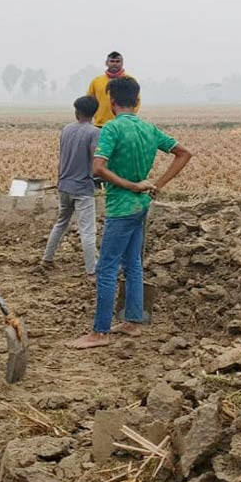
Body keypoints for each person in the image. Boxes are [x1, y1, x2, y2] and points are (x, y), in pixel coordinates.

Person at [68, 76, 192, 349]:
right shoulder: (148, 128)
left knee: (106, 268)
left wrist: (130, 185)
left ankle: (99, 332)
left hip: (121, 206)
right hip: (142, 205)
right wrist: (155, 185)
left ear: (111, 102)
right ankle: (132, 321)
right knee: (133, 263)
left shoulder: (112, 129)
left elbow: (98, 168)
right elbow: (183, 153)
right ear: (137, 101)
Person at [42, 95, 100, 279]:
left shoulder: (66, 129)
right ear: (94, 112)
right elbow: (95, 160)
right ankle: (92, 271)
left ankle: (47, 259)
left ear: (77, 112)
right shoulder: (94, 132)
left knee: (61, 223)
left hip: (63, 185)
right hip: (82, 188)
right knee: (87, 231)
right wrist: (98, 178)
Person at [86, 51, 140, 127]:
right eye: (112, 61)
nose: (114, 63)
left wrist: (127, 117)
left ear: (122, 63)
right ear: (106, 63)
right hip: (100, 125)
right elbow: (89, 100)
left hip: (123, 125)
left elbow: (137, 101)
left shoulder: (130, 80)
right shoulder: (96, 81)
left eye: (118, 61)